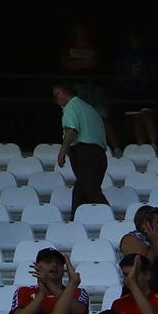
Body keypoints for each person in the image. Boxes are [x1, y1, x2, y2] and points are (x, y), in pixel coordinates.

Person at [52, 83, 107, 216]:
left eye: (56, 95)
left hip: (85, 153)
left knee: (90, 191)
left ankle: (110, 218)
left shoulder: (71, 107)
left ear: (63, 92)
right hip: (99, 155)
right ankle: (75, 221)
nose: (55, 100)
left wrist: (62, 152)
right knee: (80, 192)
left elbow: (72, 130)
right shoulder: (88, 108)